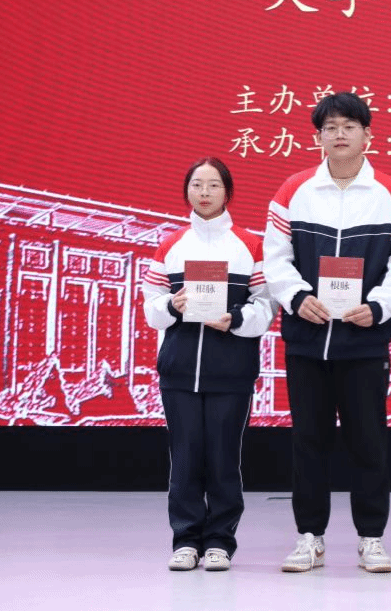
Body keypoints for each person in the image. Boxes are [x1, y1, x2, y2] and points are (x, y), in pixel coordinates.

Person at [263, 91, 391, 573]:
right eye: (330, 128)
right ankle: (309, 537)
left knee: (368, 442)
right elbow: (275, 258)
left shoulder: (389, 192)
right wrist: (296, 297)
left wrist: (380, 306)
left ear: (368, 135)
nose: (340, 134)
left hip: (363, 340)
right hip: (307, 340)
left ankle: (371, 538)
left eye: (350, 126)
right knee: (308, 442)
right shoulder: (295, 190)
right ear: (318, 138)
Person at [142, 157, 276, 572]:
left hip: (231, 372)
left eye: (213, 185)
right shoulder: (170, 245)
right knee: (184, 458)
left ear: (227, 192)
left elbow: (266, 307)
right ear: (187, 191)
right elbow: (150, 309)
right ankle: (185, 540)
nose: (204, 192)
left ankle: (219, 541)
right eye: (197, 184)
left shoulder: (250, 246)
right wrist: (173, 305)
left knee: (223, 458)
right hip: (179, 371)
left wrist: (234, 319)